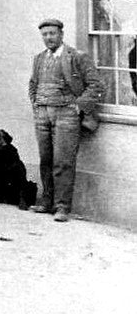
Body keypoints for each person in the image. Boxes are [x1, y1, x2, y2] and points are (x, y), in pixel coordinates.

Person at [27, 18, 104, 222]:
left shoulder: (77, 57)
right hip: (42, 113)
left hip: (66, 115)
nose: (48, 38)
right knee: (46, 159)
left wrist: (78, 106)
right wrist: (36, 104)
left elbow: (96, 85)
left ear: (61, 34)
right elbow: (33, 84)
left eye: (52, 33)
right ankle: (46, 201)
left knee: (63, 161)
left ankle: (62, 206)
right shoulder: (39, 58)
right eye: (45, 34)